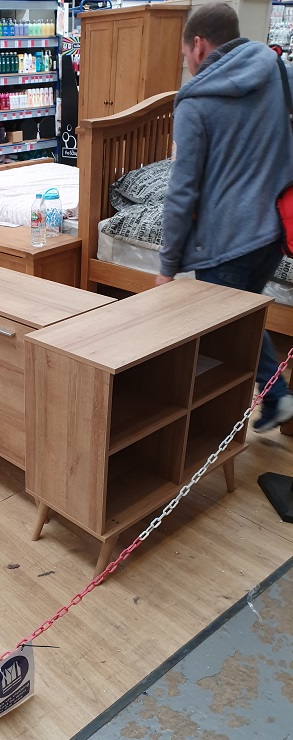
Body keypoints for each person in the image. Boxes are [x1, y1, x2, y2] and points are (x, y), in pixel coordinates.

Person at [157, 2, 293, 433]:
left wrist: (167, 265)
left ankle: (259, 403)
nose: (186, 63)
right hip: (275, 229)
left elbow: (182, 191)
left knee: (224, 331)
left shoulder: (195, 101)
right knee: (244, 323)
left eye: (183, 54)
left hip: (229, 239)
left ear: (198, 45)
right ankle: (268, 402)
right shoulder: (280, 70)